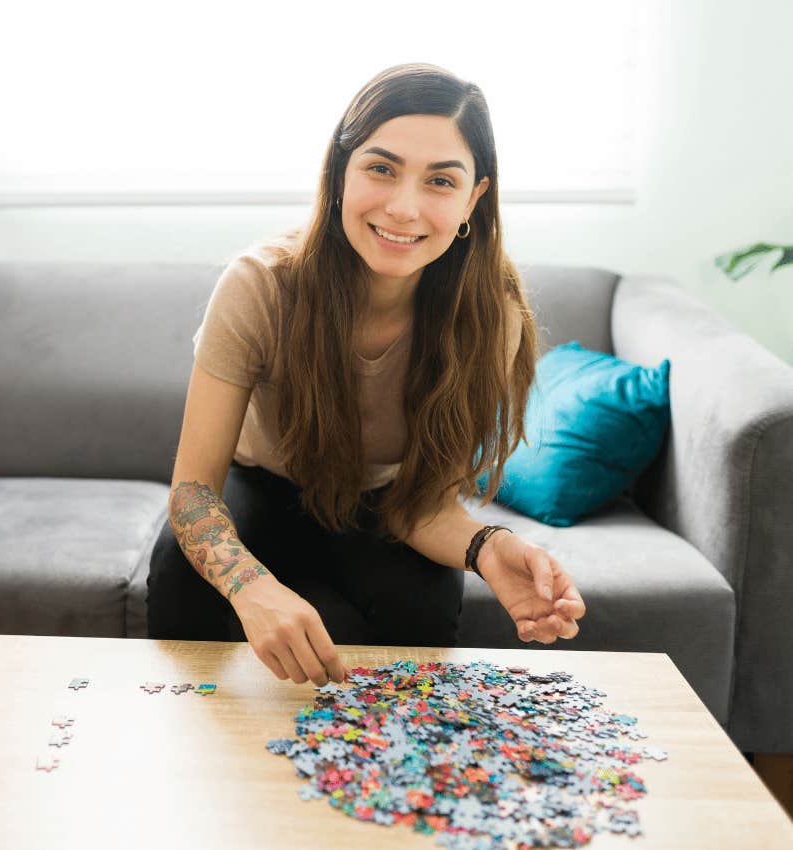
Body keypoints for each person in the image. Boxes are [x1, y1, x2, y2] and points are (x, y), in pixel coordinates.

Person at [146, 62, 586, 687]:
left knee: (426, 602)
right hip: (259, 486)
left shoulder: (494, 318)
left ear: (474, 199)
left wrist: (489, 547)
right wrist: (252, 589)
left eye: (440, 181)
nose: (404, 208)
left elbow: (421, 509)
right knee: (181, 569)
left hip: (388, 504)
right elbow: (192, 491)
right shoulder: (258, 286)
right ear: (339, 175)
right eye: (381, 168)